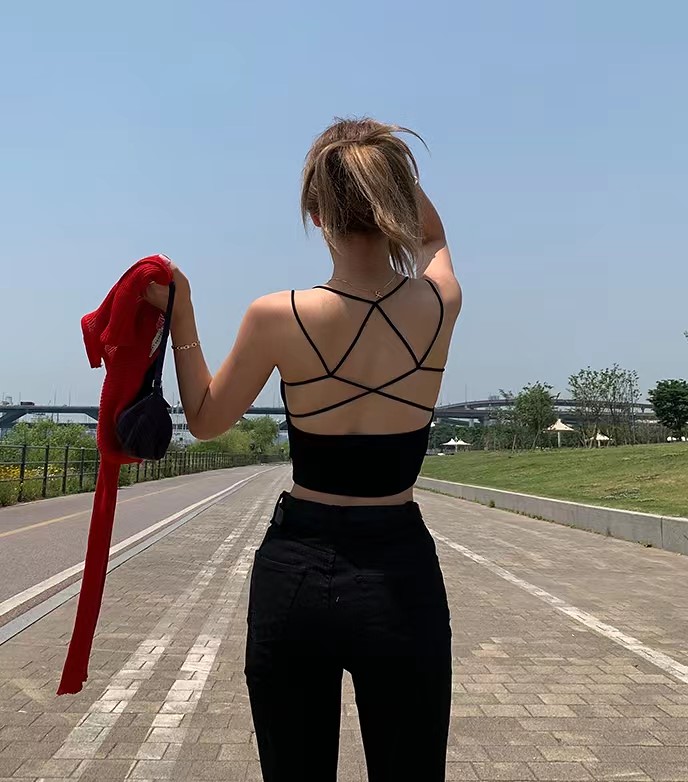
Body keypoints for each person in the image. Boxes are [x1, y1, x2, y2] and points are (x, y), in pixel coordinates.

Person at [145, 118, 462, 781]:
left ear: (316, 216)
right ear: (394, 204)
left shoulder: (276, 315)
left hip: (297, 570)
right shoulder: (439, 303)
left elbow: (205, 418)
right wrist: (387, 176)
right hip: (401, 572)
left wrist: (183, 314)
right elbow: (433, 235)